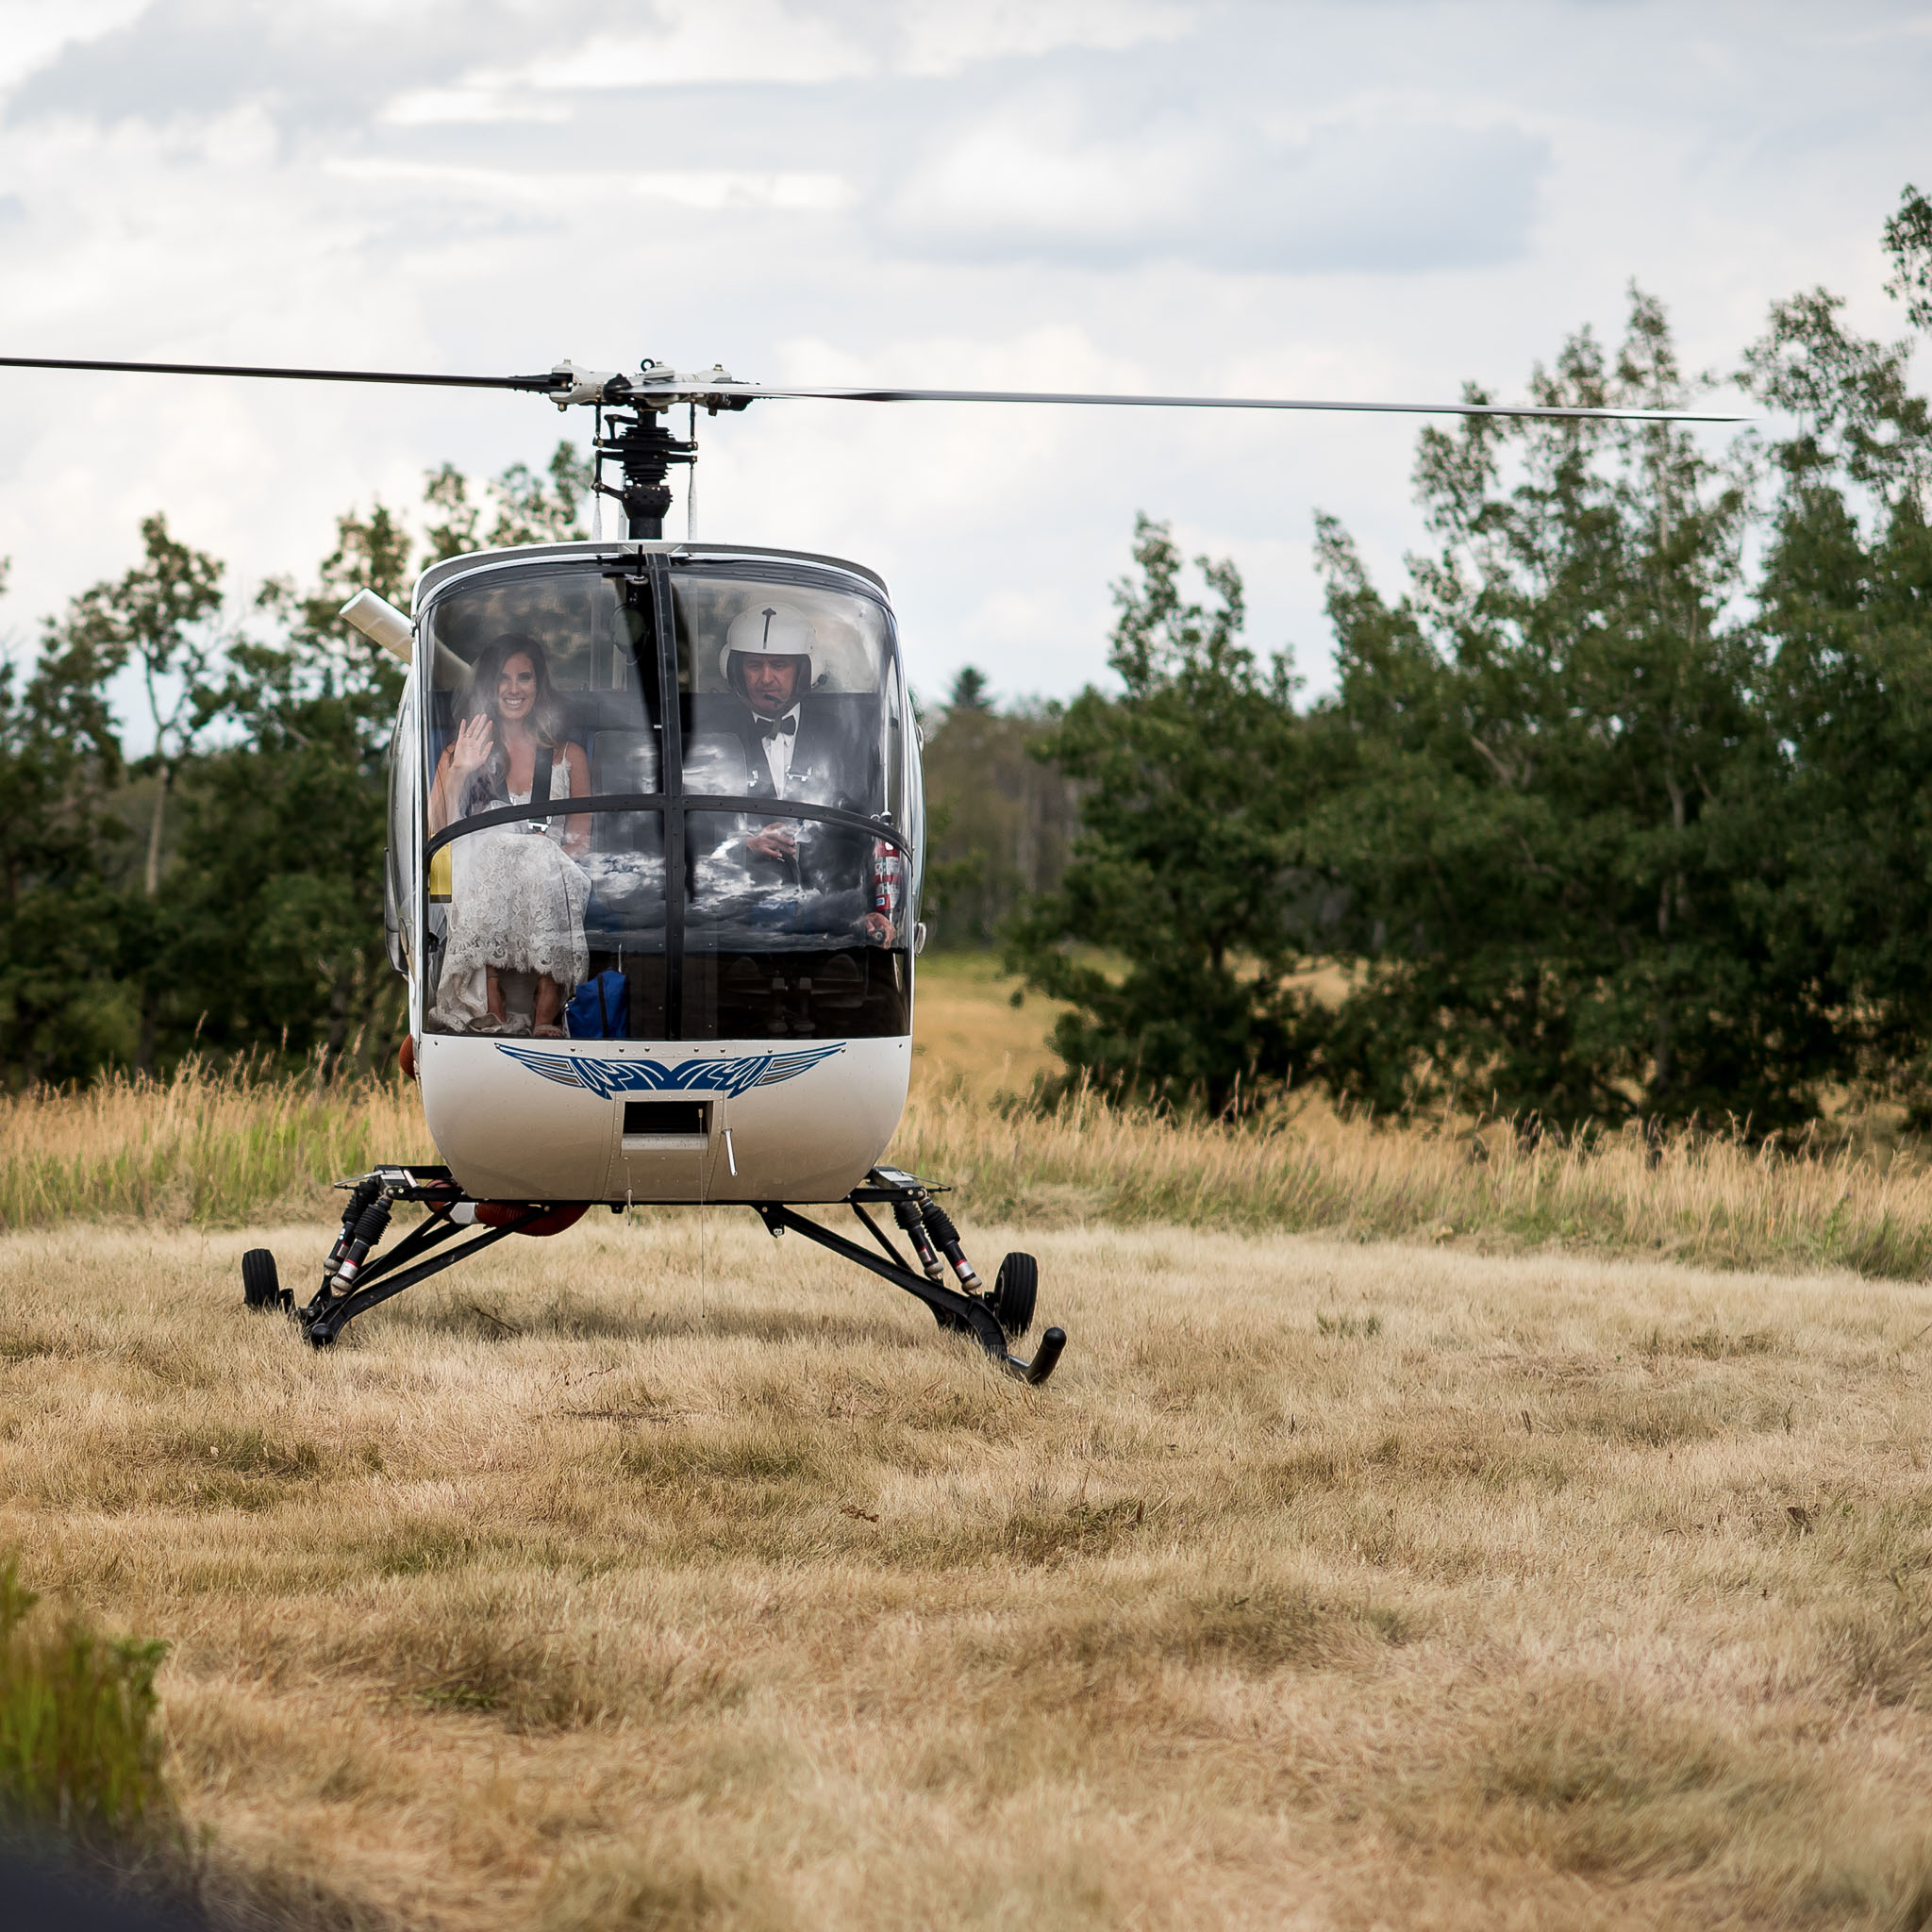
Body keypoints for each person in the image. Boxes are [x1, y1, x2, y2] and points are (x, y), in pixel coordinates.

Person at [700, 602, 895, 945]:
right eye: (753, 665)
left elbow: (863, 836)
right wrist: (744, 843)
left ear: (804, 670)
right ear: (735, 670)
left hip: (827, 926)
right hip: (730, 926)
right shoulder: (708, 739)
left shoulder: (845, 738)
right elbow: (685, 834)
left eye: (779, 665)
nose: (766, 678)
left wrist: (867, 910)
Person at [426, 634, 591, 1036]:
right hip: (476, 872)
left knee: (536, 856)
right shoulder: (459, 751)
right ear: (489, 686)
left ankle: (547, 1003)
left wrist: (545, 855)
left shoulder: (568, 755)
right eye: (503, 679)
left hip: (550, 873)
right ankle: (491, 992)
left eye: (524, 677)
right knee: (498, 847)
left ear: (539, 685)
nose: (514, 689)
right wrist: (461, 770)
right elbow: (436, 834)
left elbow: (582, 840)